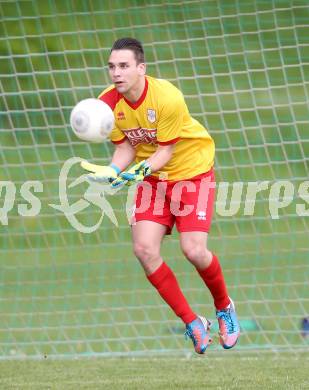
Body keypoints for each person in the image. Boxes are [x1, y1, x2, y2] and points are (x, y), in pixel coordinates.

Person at [81, 37, 240, 353]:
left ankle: (224, 307)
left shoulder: (167, 97)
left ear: (142, 68)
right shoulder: (106, 104)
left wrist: (139, 171)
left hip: (191, 171)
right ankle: (192, 321)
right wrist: (113, 171)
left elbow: (165, 150)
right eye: (112, 66)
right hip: (153, 180)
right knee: (143, 249)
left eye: (124, 66)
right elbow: (126, 146)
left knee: (193, 250)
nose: (116, 73)